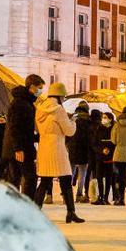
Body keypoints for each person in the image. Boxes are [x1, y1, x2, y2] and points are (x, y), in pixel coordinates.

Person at [33, 82, 83, 223]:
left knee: (44, 181)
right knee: (66, 180)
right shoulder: (58, 109)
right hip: (57, 148)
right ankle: (71, 212)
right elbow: (69, 131)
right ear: (60, 96)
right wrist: (72, 121)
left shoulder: (40, 109)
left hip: (44, 147)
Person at [3, 74, 45, 199]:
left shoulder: (25, 102)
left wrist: (37, 137)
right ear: (31, 87)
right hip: (20, 148)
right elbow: (15, 127)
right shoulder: (20, 103)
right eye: (39, 88)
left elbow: (25, 130)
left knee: (15, 179)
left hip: (19, 147)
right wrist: (18, 149)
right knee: (30, 178)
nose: (40, 91)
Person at [67, 103, 92, 203]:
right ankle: (79, 194)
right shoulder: (89, 121)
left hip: (72, 147)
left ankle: (67, 195)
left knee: (70, 173)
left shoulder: (72, 119)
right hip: (84, 148)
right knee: (83, 173)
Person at [91, 110, 116, 205]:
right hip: (100, 157)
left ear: (110, 119)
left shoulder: (113, 129)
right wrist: (101, 150)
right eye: (103, 117)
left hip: (110, 157)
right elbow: (94, 143)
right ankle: (100, 196)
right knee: (99, 177)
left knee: (109, 178)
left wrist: (110, 150)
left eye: (105, 117)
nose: (103, 119)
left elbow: (115, 142)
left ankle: (106, 197)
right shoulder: (98, 129)